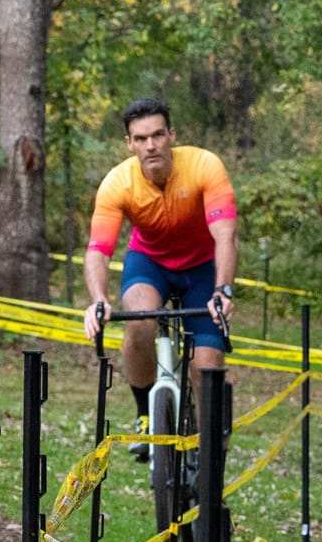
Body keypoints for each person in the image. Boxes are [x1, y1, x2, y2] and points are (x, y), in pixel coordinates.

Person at [78, 98, 238, 459]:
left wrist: (222, 289)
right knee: (139, 320)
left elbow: (226, 234)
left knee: (206, 366)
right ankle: (146, 415)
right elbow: (98, 249)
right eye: (141, 138)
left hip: (202, 268)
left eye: (157, 135)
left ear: (171, 136)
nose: (150, 145)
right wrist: (99, 298)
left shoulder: (204, 166)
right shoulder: (118, 182)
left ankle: (210, 446)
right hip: (149, 263)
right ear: (129, 143)